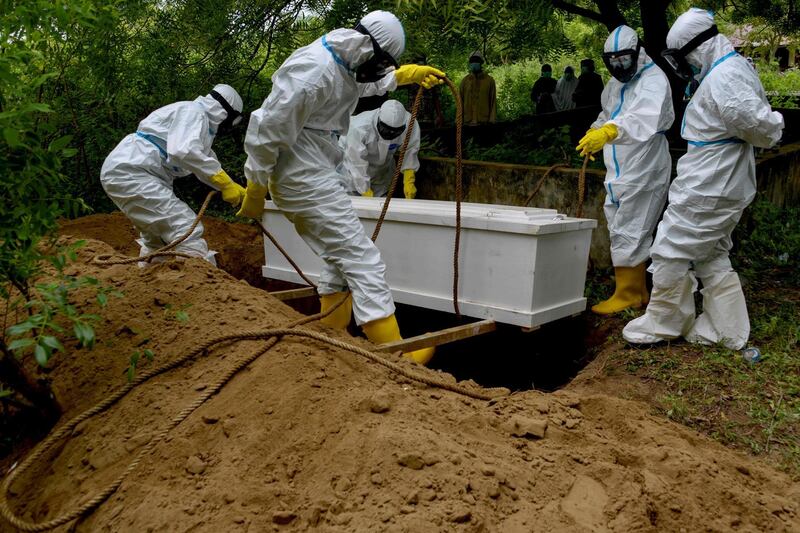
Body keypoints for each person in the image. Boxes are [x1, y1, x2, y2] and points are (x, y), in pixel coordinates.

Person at [238, 10, 444, 363]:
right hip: (301, 177)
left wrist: (402, 76)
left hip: (317, 171)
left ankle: (332, 337)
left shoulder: (344, 61)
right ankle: (397, 355)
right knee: (362, 259)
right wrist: (255, 185)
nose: (379, 71)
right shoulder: (314, 71)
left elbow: (360, 83)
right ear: (368, 47)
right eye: (382, 64)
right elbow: (266, 128)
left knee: (339, 258)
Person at [623, 8, 784, 350]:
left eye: (684, 56)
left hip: (713, 181)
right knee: (711, 252)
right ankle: (726, 329)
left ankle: (665, 322)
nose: (685, 64)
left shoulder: (726, 77)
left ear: (697, 46)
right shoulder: (724, 71)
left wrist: (776, 122)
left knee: (669, 249)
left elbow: (759, 126)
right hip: (715, 176)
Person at [576, 25, 674, 315]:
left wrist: (608, 133)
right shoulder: (616, 83)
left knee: (633, 225)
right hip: (619, 165)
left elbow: (643, 118)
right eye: (612, 60)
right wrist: (594, 132)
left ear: (637, 53)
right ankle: (638, 290)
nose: (618, 66)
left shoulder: (654, 80)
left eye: (624, 59)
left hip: (644, 163)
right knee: (621, 223)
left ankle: (628, 294)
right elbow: (609, 114)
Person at [100, 84, 245, 266]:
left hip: (132, 172)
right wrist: (225, 184)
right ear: (225, 113)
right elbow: (183, 151)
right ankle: (200, 285)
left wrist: (232, 185)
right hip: (133, 171)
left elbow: (204, 160)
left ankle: (148, 284)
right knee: (185, 229)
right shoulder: (193, 112)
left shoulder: (199, 123)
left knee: (157, 241)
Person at [339, 100, 421, 199]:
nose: (390, 133)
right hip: (351, 173)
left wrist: (409, 179)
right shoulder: (358, 128)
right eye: (386, 129)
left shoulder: (410, 124)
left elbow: (411, 149)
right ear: (378, 120)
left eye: (395, 132)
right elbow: (356, 163)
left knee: (380, 206)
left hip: (381, 174)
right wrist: (365, 190)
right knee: (353, 206)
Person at [398, 54, 445, 128]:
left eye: (422, 61)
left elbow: (436, 97)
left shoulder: (431, 76)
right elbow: (397, 85)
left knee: (428, 136)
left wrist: (439, 115)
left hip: (428, 116)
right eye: (418, 62)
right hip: (413, 116)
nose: (420, 64)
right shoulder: (410, 76)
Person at [459, 50, 496, 125]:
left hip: (484, 122)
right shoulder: (465, 81)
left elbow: (493, 102)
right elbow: (460, 102)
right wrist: (459, 121)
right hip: (467, 122)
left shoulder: (489, 81)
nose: (474, 63)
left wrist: (491, 120)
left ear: (481, 62)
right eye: (472, 61)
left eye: (476, 61)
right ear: (470, 63)